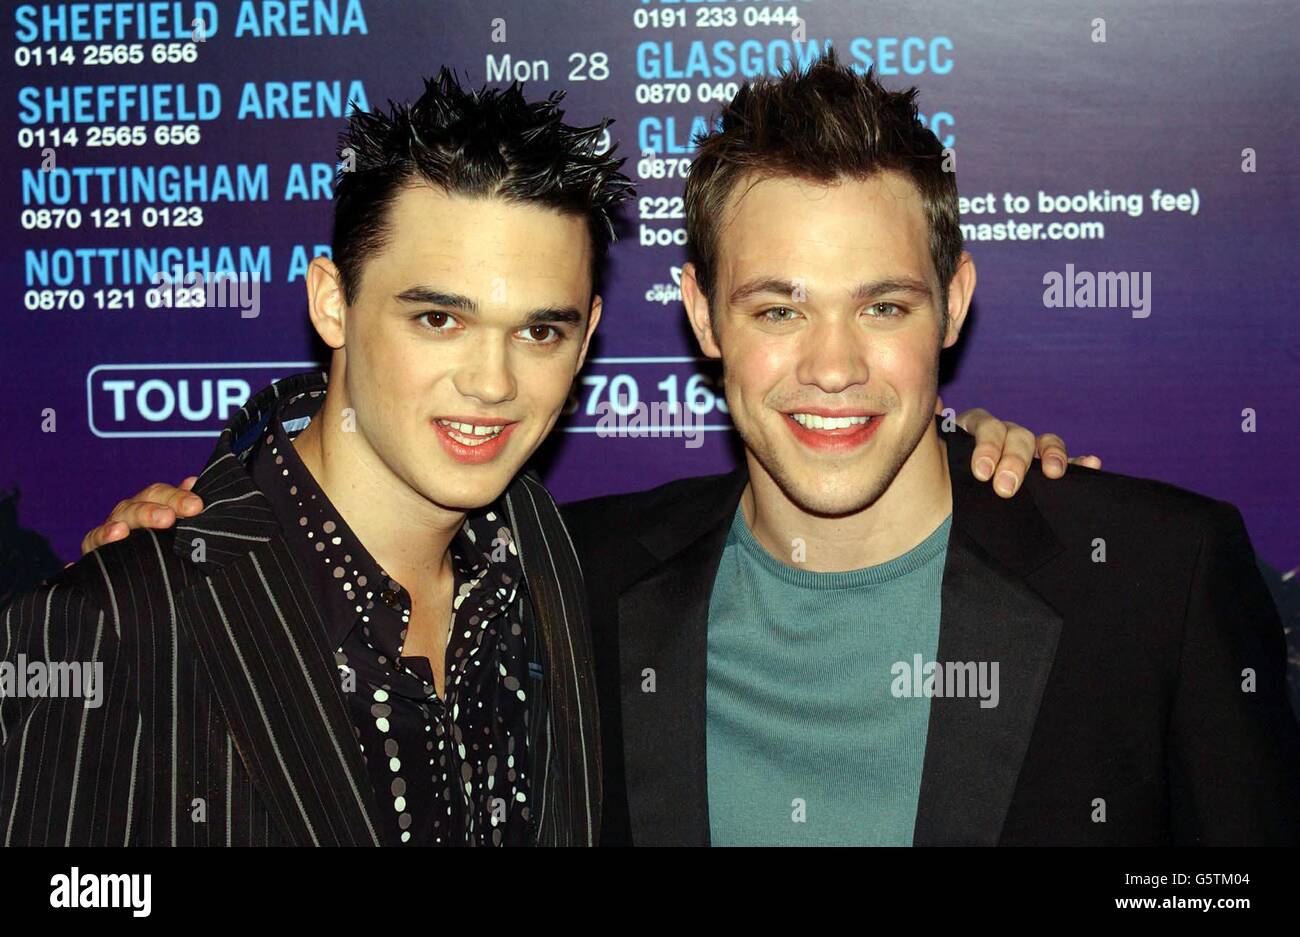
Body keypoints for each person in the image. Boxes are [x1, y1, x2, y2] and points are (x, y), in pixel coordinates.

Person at [63, 64, 1101, 847]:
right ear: (331, 302)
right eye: (437, 319)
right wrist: (220, 494)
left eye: (541, 331)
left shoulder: (557, 569)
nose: (490, 382)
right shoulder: (129, 621)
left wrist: (961, 441)